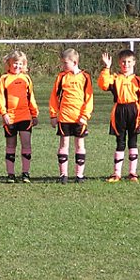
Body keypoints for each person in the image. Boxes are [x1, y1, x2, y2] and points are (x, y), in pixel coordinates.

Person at [98, 49, 140, 183]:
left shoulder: (137, 80)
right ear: (119, 63)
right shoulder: (115, 78)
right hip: (119, 111)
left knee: (133, 142)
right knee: (120, 142)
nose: (126, 64)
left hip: (134, 111)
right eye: (123, 62)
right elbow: (103, 84)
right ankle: (117, 173)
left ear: (134, 62)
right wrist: (106, 67)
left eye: (129, 62)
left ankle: (132, 173)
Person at [49, 48, 93, 184]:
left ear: (74, 62)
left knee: (80, 144)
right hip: (64, 117)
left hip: (79, 118)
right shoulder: (61, 77)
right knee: (64, 144)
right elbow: (54, 97)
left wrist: (85, 116)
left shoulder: (85, 77)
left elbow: (89, 99)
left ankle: (79, 175)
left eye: (65, 63)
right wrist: (53, 114)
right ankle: (63, 175)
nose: (63, 66)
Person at [0, 50, 39, 183]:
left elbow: (31, 97)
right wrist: (3, 113)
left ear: (24, 65)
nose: (17, 67)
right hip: (10, 117)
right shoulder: (4, 79)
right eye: (15, 64)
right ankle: (10, 174)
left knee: (26, 143)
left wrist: (34, 113)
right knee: (11, 144)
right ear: (9, 64)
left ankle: (25, 173)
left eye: (20, 64)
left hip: (25, 116)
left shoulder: (26, 78)